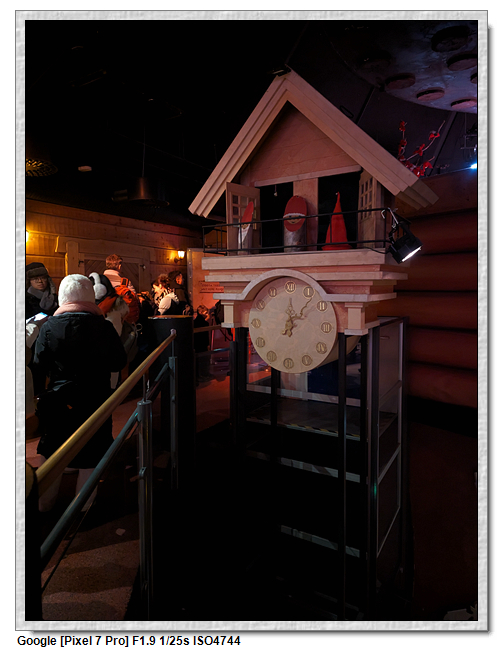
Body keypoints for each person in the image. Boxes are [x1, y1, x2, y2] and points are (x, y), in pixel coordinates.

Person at [33, 274, 127, 511]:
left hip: (59, 398)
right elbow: (118, 361)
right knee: (93, 448)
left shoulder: (48, 327)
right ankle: (81, 506)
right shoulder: (104, 327)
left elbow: (39, 363)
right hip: (95, 397)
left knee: (53, 447)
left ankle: (44, 503)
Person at [194, 305, 212, 383]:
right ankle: (203, 375)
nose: (207, 315)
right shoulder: (203, 323)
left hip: (197, 344)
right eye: (205, 313)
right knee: (203, 360)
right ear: (200, 312)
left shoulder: (195, 322)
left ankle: (201, 375)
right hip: (202, 344)